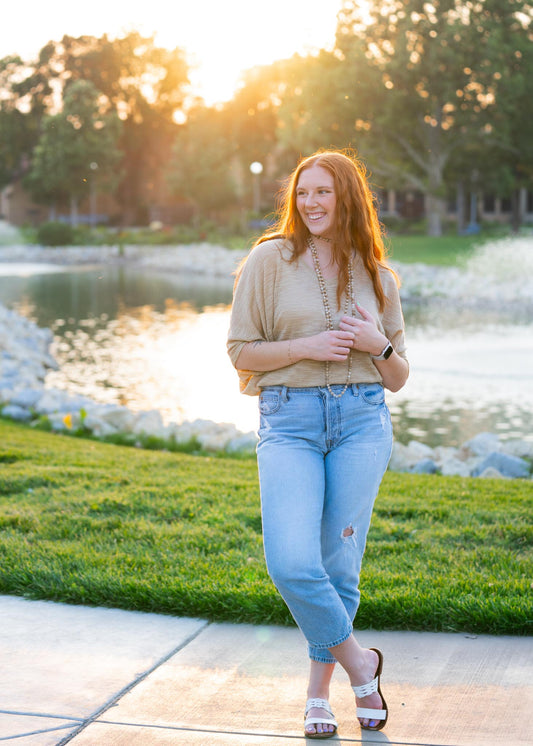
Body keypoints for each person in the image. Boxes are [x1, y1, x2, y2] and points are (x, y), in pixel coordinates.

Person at [227, 148, 409, 739]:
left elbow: (400, 375)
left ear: (347, 198)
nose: (310, 204)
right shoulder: (267, 262)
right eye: (302, 193)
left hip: (361, 421)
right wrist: (305, 346)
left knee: (338, 565)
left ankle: (318, 697)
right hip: (290, 421)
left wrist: (377, 342)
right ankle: (362, 664)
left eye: (323, 192)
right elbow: (240, 351)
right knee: (291, 560)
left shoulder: (379, 275)